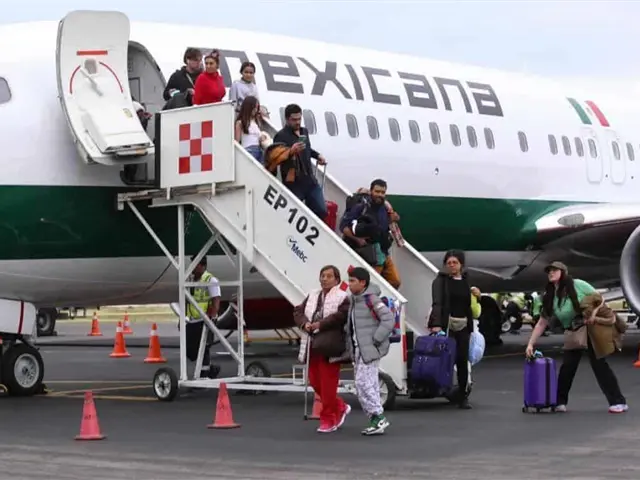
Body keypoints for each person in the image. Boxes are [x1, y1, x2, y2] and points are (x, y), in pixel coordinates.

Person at [525, 261, 628, 414]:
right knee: (568, 367)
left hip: (589, 330)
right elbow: (542, 322)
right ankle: (559, 402)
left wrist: (593, 316)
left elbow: (599, 300)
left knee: (599, 365)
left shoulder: (578, 285)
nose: (551, 273)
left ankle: (618, 402)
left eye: (554, 270)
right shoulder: (550, 295)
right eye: (549, 271)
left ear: (563, 272)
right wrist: (530, 344)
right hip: (573, 332)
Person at [293, 265, 351, 433]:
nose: (324, 279)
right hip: (312, 346)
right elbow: (298, 311)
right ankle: (340, 406)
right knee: (314, 381)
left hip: (329, 347)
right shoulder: (313, 295)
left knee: (328, 385)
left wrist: (320, 324)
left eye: (329, 276)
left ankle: (329, 419)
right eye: (322, 275)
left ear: (337, 280)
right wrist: (305, 324)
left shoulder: (343, 297)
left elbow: (341, 316)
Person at [427, 250, 482, 410]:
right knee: (446, 359)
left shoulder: (466, 280)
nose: (451, 265)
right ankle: (445, 389)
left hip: (464, 325)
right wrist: (436, 324)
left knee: (462, 360)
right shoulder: (441, 281)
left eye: (455, 262)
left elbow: (471, 304)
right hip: (448, 325)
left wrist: (478, 296)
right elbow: (437, 303)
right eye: (449, 263)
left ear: (461, 264)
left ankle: (462, 396)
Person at [345, 267, 394, 435]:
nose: (349, 284)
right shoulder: (354, 301)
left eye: (352, 281)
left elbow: (388, 319)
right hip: (359, 350)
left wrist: (376, 339)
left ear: (363, 282)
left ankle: (378, 417)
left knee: (363, 383)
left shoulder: (371, 299)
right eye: (349, 280)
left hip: (370, 350)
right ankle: (375, 419)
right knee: (366, 385)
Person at [339, 179, 401, 290]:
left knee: (395, 281)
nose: (380, 195)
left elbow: (382, 228)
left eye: (382, 192)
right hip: (369, 252)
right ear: (371, 191)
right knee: (371, 284)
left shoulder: (385, 209)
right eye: (377, 191)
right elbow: (343, 227)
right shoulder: (361, 207)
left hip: (383, 251)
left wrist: (391, 220)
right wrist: (358, 240)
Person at [273, 104, 328, 220]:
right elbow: (276, 157)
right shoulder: (281, 136)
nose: (297, 122)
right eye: (294, 120)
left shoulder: (304, 131)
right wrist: (290, 151)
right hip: (294, 182)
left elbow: (307, 149)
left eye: (299, 119)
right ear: (287, 119)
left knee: (321, 210)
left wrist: (317, 155)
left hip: (309, 179)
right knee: (293, 215)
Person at [170, 256, 222, 379]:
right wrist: (181, 318)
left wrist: (212, 319)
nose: (192, 267)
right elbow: (187, 301)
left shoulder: (211, 280)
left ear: (202, 266)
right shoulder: (190, 281)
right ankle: (211, 369)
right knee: (190, 351)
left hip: (205, 320)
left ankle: (203, 375)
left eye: (195, 264)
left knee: (204, 348)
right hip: (192, 321)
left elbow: (216, 300)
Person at [234, 95, 264, 164]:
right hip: (248, 151)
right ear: (249, 107)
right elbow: (237, 142)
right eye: (254, 107)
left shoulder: (256, 121)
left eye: (257, 108)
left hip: (259, 151)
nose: (256, 110)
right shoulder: (240, 122)